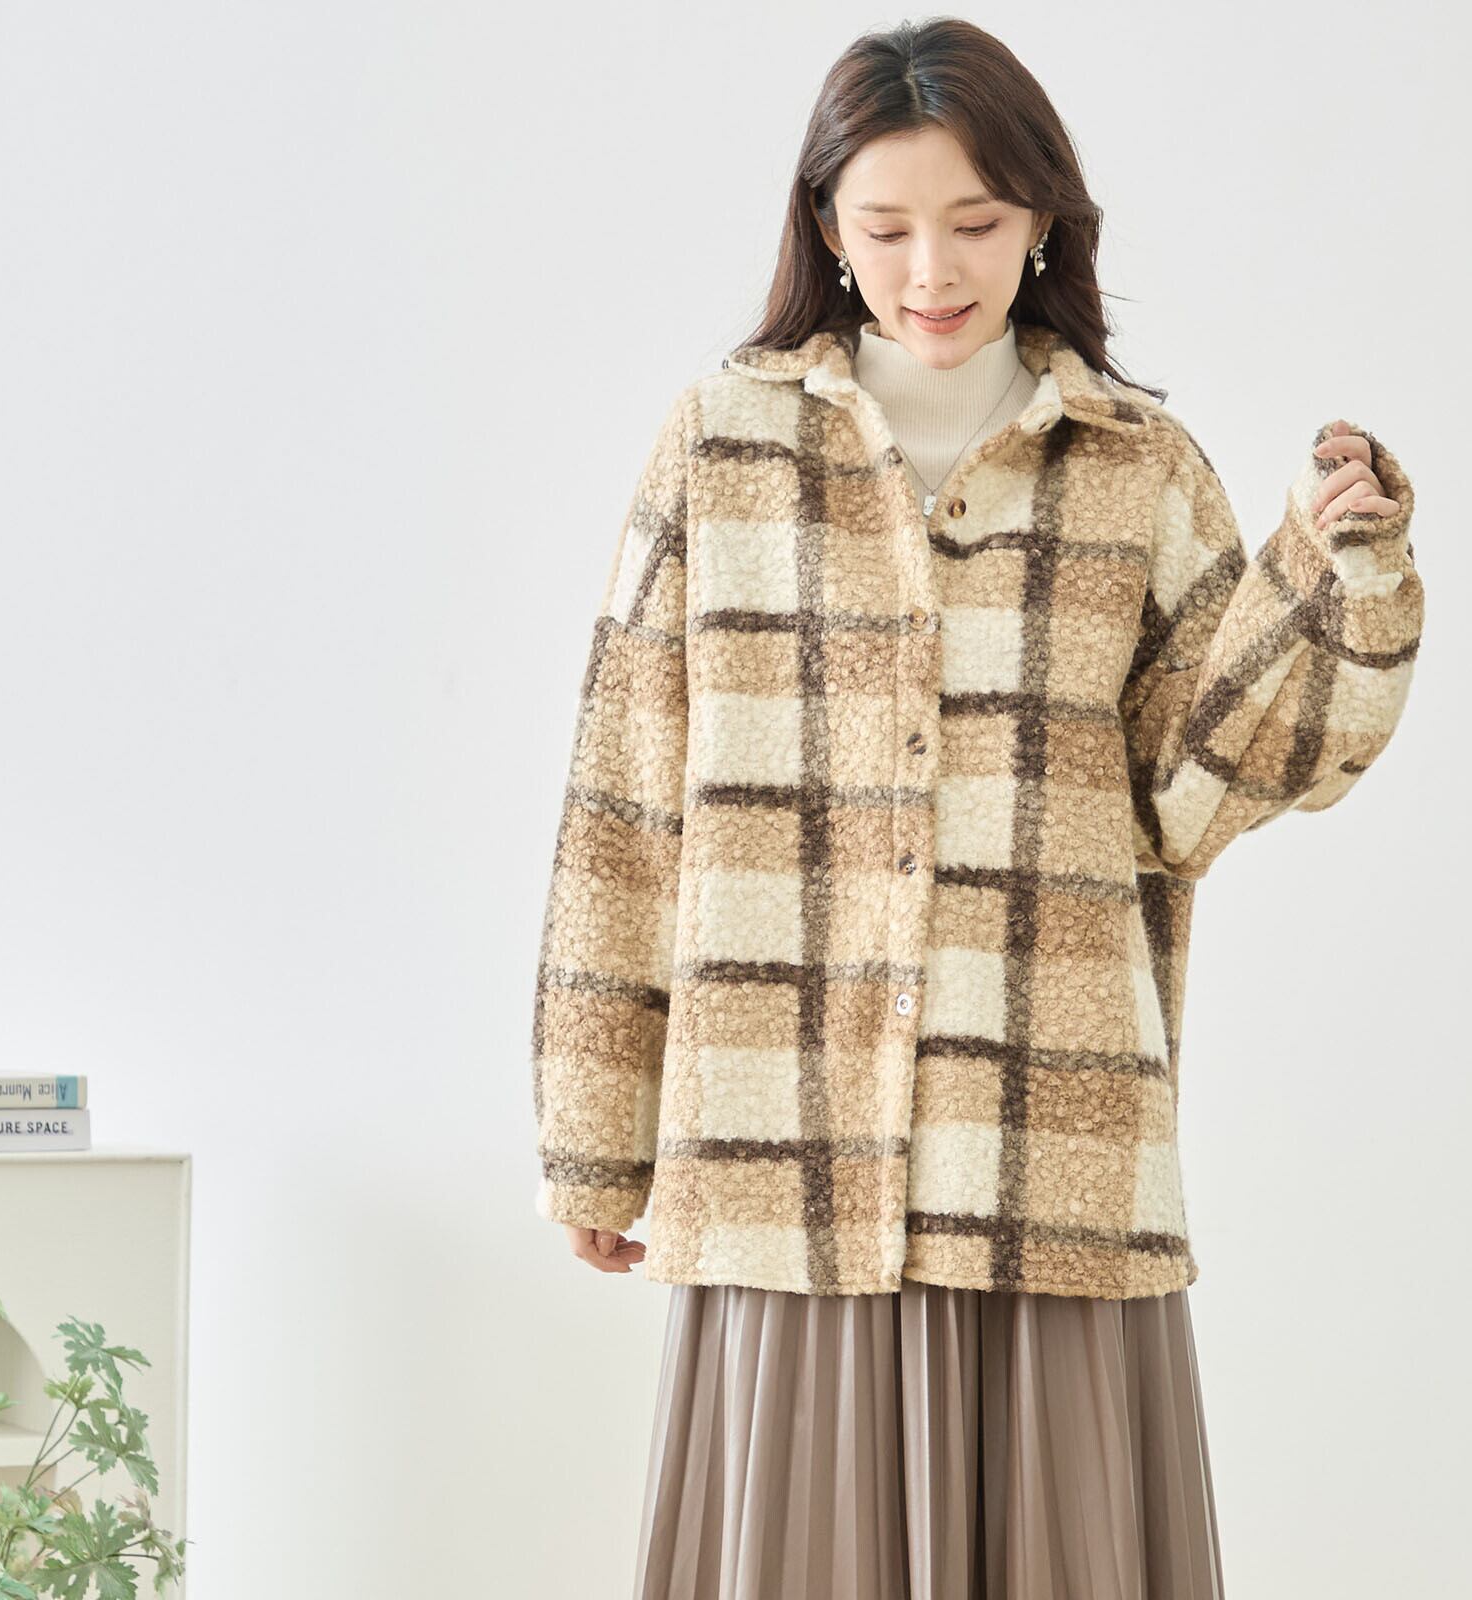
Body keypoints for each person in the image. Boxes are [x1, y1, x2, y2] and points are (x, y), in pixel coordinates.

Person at [529, 18, 1422, 1599]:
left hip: (1048, 1159)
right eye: (885, 229)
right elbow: (626, 797)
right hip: (782, 1149)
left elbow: (1193, 794)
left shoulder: (1139, 466)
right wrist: (594, 1139)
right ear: (824, 226)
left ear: (1044, 221)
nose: (932, 270)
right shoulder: (721, 446)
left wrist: (1323, 572)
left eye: (978, 222)